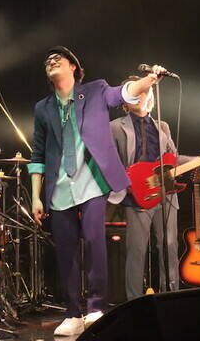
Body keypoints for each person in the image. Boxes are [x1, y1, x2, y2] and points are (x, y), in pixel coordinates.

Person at [27, 46, 162, 336]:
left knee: (93, 241)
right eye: (48, 60)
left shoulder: (95, 91)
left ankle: (96, 307)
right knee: (66, 251)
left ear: (73, 67)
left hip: (91, 182)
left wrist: (148, 80)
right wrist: (36, 196)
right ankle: (72, 313)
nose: (51, 61)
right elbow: (37, 153)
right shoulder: (43, 108)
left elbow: (123, 93)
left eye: (58, 59)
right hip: (59, 187)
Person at [108, 75, 200, 300]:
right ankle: (134, 301)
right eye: (134, 92)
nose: (139, 95)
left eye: (143, 91)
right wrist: (126, 184)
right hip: (136, 197)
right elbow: (108, 163)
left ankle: (171, 297)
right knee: (137, 250)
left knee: (169, 246)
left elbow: (174, 159)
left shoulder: (162, 126)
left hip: (166, 194)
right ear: (125, 100)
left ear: (150, 96)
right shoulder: (114, 127)